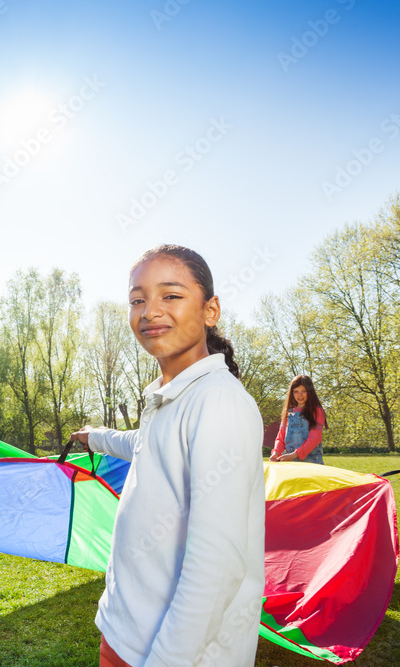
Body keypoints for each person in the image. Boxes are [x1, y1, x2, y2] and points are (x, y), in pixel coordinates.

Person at [70, 244, 265, 667]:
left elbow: (218, 566)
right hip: (125, 633)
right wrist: (94, 436)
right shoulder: (169, 399)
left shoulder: (218, 402)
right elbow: (139, 444)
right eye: (137, 300)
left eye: (170, 296)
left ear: (210, 310)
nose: (149, 311)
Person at [271, 374, 327, 464]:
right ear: (291, 393)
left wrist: (294, 455)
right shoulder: (287, 412)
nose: (299, 395)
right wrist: (276, 452)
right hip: (290, 461)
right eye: (296, 391)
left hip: (311, 461)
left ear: (310, 392)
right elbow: (281, 437)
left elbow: (315, 439)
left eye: (303, 391)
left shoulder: (317, 411)